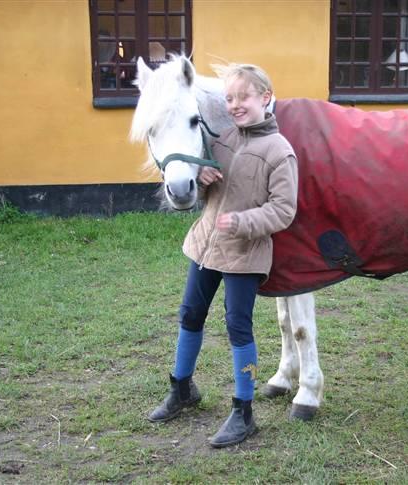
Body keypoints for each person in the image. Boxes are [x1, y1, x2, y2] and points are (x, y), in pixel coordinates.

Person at [147, 63, 298, 448]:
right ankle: (182, 389)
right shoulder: (223, 139)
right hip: (204, 245)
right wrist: (200, 179)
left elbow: (284, 210)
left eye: (244, 97)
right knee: (190, 314)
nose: (234, 105)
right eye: (229, 98)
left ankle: (243, 411)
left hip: (244, 253)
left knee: (238, 327)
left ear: (265, 98)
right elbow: (203, 180)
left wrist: (243, 222)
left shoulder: (280, 151)